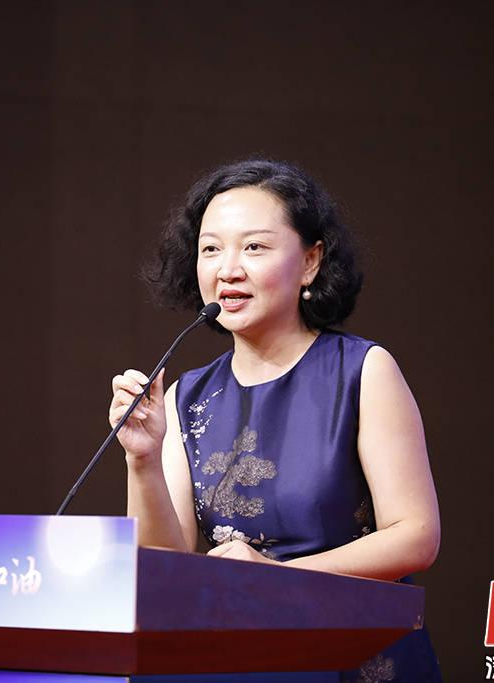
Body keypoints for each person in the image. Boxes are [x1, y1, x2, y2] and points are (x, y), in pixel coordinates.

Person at [108, 159, 442, 682]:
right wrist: (142, 459)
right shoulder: (186, 397)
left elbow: (416, 536)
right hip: (239, 661)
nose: (228, 269)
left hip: (352, 655)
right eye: (211, 249)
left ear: (310, 261)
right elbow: (164, 565)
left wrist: (276, 577)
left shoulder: (361, 371)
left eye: (254, 247)